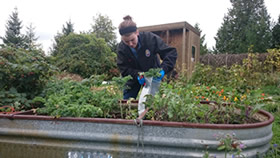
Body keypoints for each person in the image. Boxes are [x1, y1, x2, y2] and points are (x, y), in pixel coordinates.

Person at [117, 15, 177, 99]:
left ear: (137, 33)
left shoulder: (150, 39)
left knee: (153, 105)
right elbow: (124, 68)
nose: (130, 44)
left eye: (132, 40)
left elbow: (170, 53)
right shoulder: (122, 49)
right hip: (133, 79)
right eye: (126, 41)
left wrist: (163, 70)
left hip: (153, 78)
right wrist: (138, 75)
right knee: (127, 104)